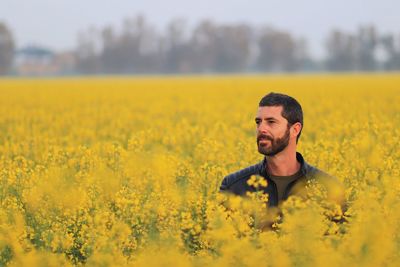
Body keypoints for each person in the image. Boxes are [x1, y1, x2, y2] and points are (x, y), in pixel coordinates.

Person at [219, 92, 345, 208]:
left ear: (295, 130)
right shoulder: (233, 187)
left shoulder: (329, 188)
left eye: (271, 122)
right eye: (258, 122)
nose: (261, 128)